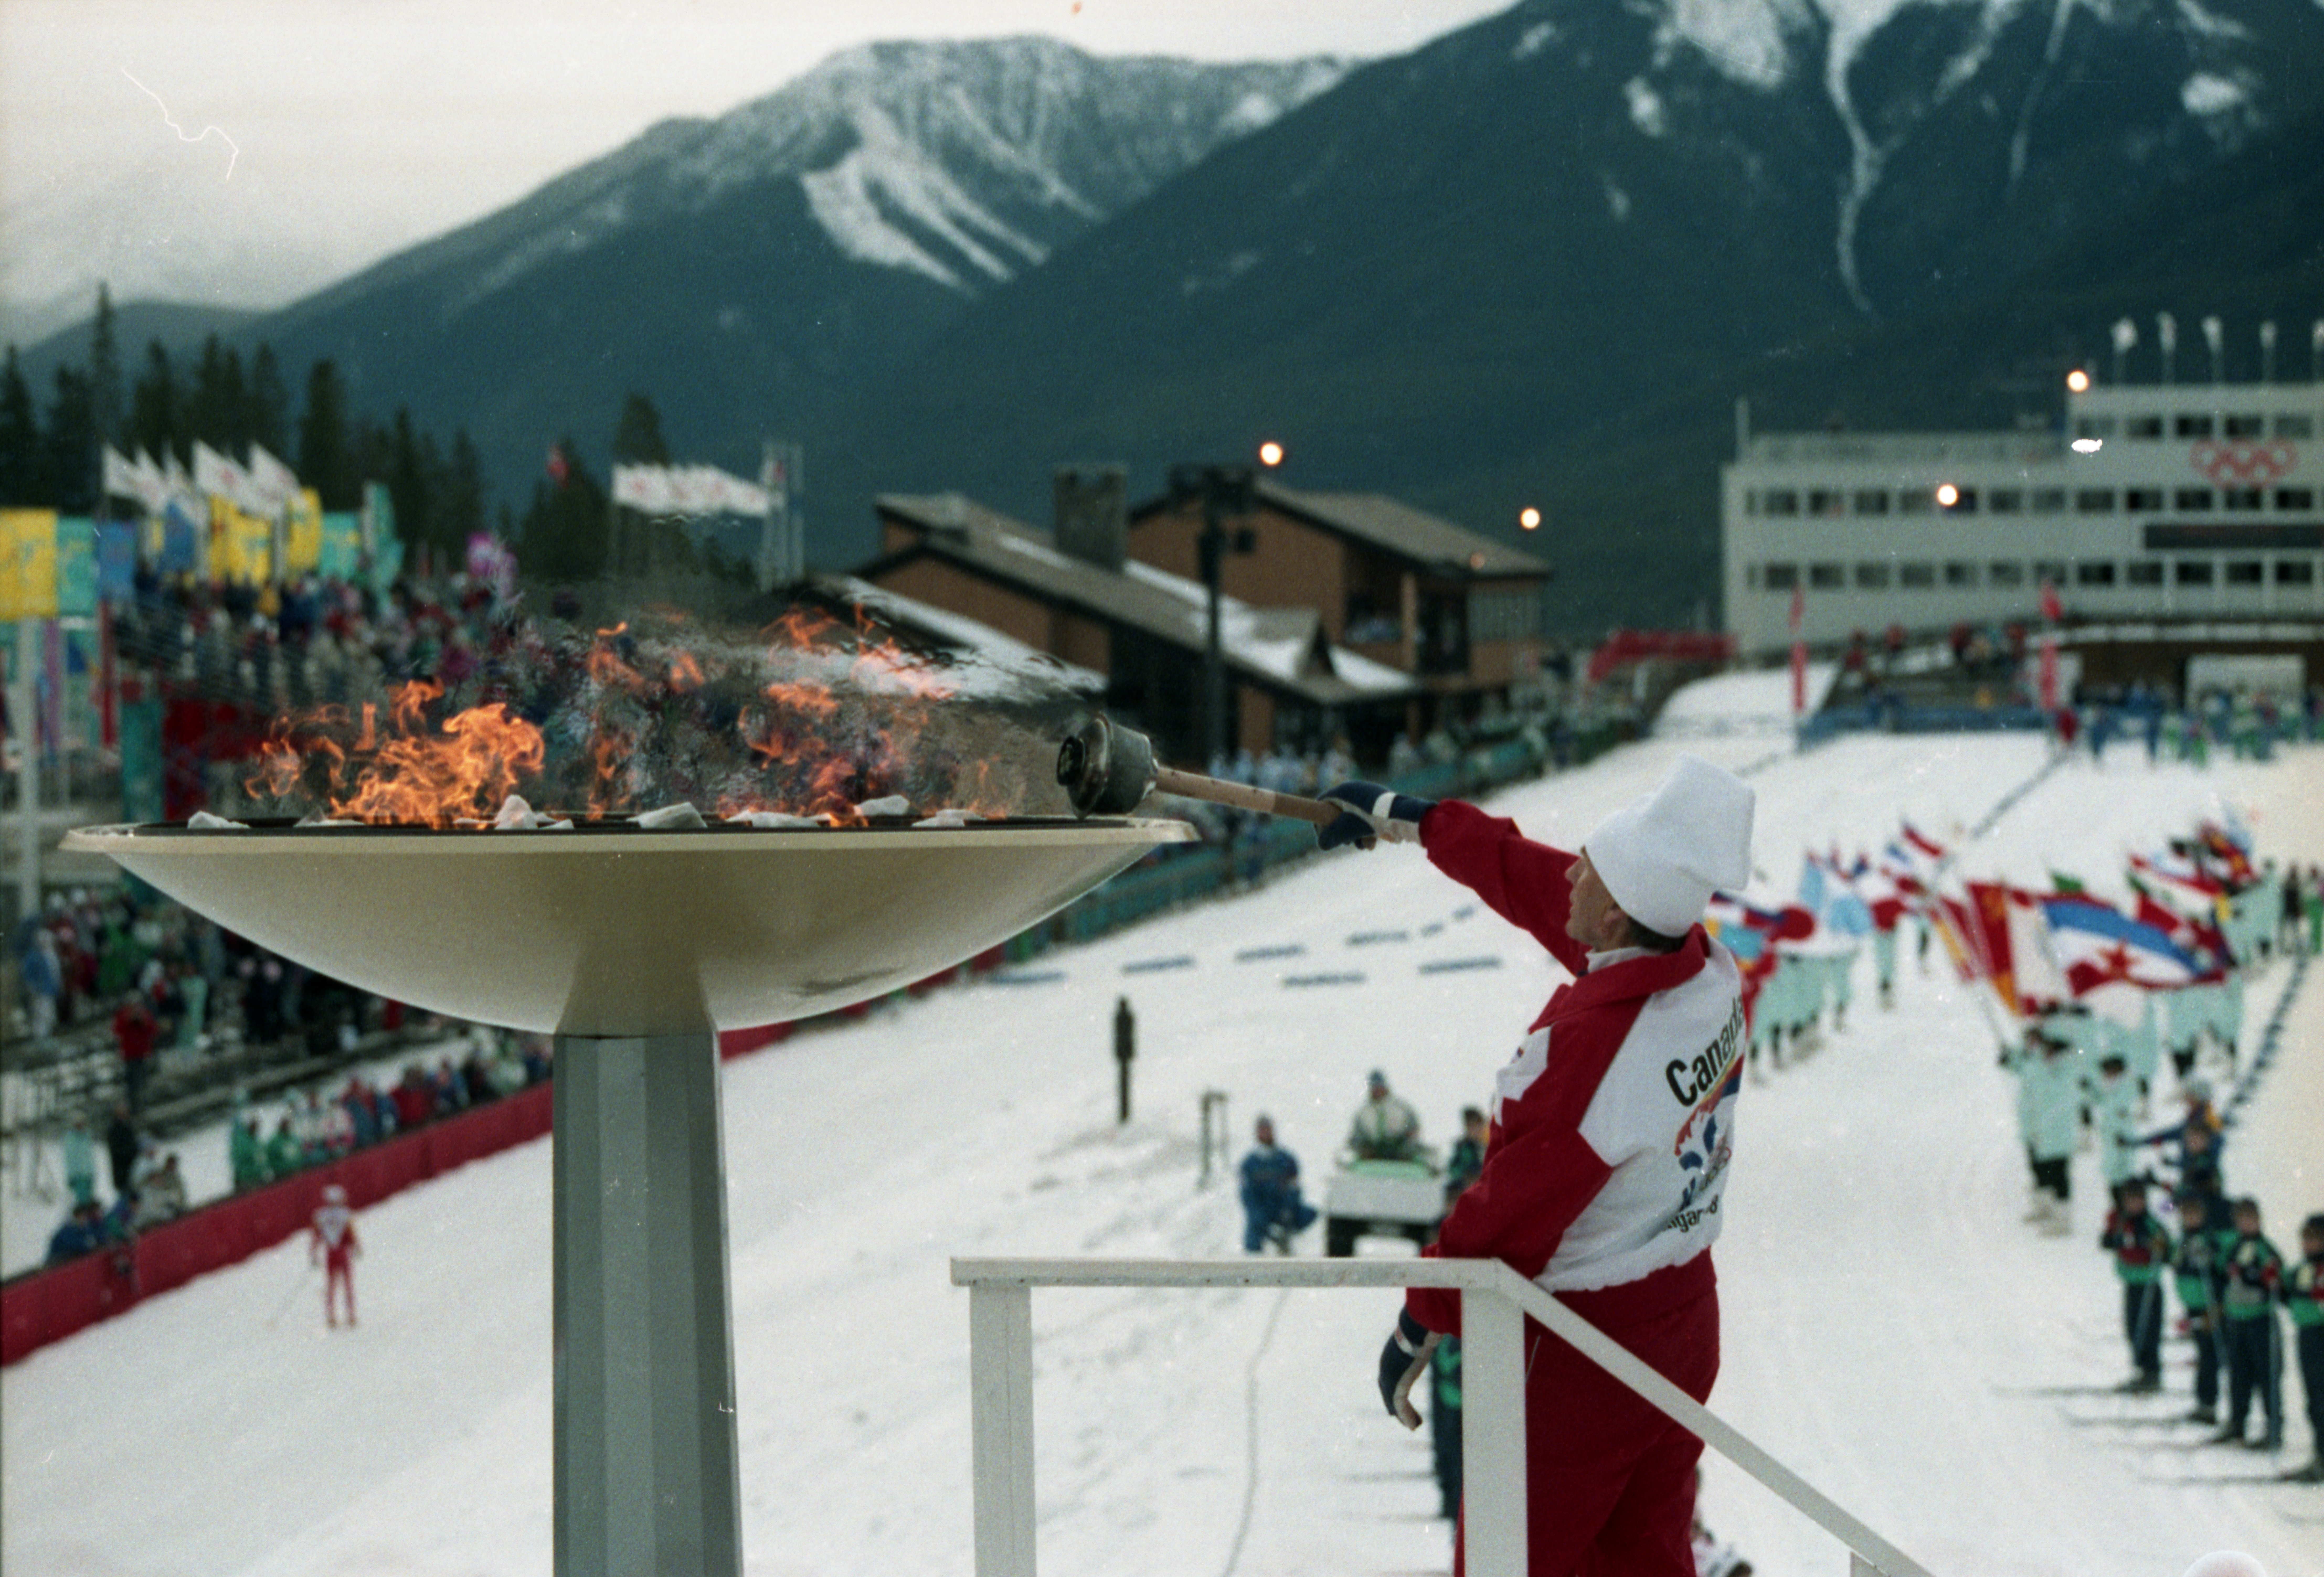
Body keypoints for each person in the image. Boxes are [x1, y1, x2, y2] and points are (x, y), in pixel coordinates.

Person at [1330, 752, 1755, 1574]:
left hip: (1587, 1356)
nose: (1570, 881)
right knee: (1641, 1555)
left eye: (1587, 873)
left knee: (1506, 1560)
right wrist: (1415, 819)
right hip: (1681, 1325)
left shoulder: (1599, 1056)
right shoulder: (1694, 971)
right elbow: (1539, 880)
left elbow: (1507, 1217)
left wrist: (1422, 1317)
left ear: (1613, 921)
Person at [2214, 1197, 2284, 1451]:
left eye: (2250, 1219)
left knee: (2267, 1375)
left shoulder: (2265, 1248)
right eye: (2241, 1220)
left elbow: (2279, 1277)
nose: (2246, 1224)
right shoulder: (2232, 1246)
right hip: (2236, 1318)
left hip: (2259, 1319)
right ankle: (2237, 1422)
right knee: (2238, 1374)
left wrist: (2270, 1280)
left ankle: (2273, 1428)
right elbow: (2220, 1269)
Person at [2098, 1179, 2172, 1392]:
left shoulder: (2150, 1223)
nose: (2134, 1206)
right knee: (2133, 1328)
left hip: (2150, 1284)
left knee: (2149, 1329)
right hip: (2131, 1283)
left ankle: (2152, 1372)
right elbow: (2106, 1241)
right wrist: (2120, 1241)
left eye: (2138, 1201)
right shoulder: (2121, 1221)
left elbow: (2168, 1248)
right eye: (2130, 1201)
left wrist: (2157, 1246)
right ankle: (2141, 1370)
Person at [2172, 1190, 2234, 1425]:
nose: (2191, 1219)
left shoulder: (2210, 1239)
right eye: (2187, 1214)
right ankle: (2204, 1402)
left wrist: (2217, 1305)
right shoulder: (2183, 1239)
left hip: (2211, 1307)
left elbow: (2222, 1272)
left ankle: (2210, 1404)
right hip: (2194, 1306)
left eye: (2195, 1214)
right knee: (2203, 1353)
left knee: (2210, 1355)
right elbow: (2177, 1263)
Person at [2283, 1212, 2324, 1483]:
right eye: (2305, 1240)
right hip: (2306, 1335)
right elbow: (2284, 1295)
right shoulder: (2300, 1270)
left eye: (2315, 1240)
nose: (2308, 1245)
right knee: (2314, 1398)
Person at [1237, 1116, 1318, 1254]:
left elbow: (1294, 1187)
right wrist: (1256, 1213)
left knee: (1309, 1216)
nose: (1265, 1133)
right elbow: (1247, 1193)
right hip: (1261, 1211)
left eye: (1268, 1129)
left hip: (1283, 1209)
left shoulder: (1286, 1160)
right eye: (1262, 1130)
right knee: (1253, 1238)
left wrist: (1288, 1208)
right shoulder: (1250, 1163)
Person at [311, 1182, 361, 1329]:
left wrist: (314, 1254)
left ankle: (331, 1316)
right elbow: (351, 1234)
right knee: (347, 1285)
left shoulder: (321, 1216)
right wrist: (357, 1247)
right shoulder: (345, 1215)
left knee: (332, 1285)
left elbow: (316, 1237)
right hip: (343, 1253)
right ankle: (351, 1315)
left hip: (330, 1254)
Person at [1347, 1070, 1422, 1162]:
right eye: (1375, 1088)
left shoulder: (1400, 1109)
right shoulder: (1364, 1113)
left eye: (1380, 1087)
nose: (1378, 1091)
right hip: (1373, 1153)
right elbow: (1357, 1135)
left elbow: (1413, 1127)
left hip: (1400, 1152)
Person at [1444, 1106, 1488, 1203]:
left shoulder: (1492, 1144)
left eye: (1476, 1126)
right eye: (1470, 1127)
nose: (1473, 1131)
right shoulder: (1464, 1147)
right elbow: (1454, 1169)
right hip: (1467, 1184)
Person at [45, 1200, 104, 1265]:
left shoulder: (88, 1229)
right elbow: (74, 1245)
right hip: (60, 1260)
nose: (84, 1219)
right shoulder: (67, 1231)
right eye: (81, 1217)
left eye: (85, 1217)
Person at [104, 1102, 140, 1198]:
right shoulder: (114, 1129)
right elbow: (115, 1149)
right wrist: (130, 1152)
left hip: (133, 1168)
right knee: (125, 1197)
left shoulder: (130, 1126)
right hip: (121, 1170)